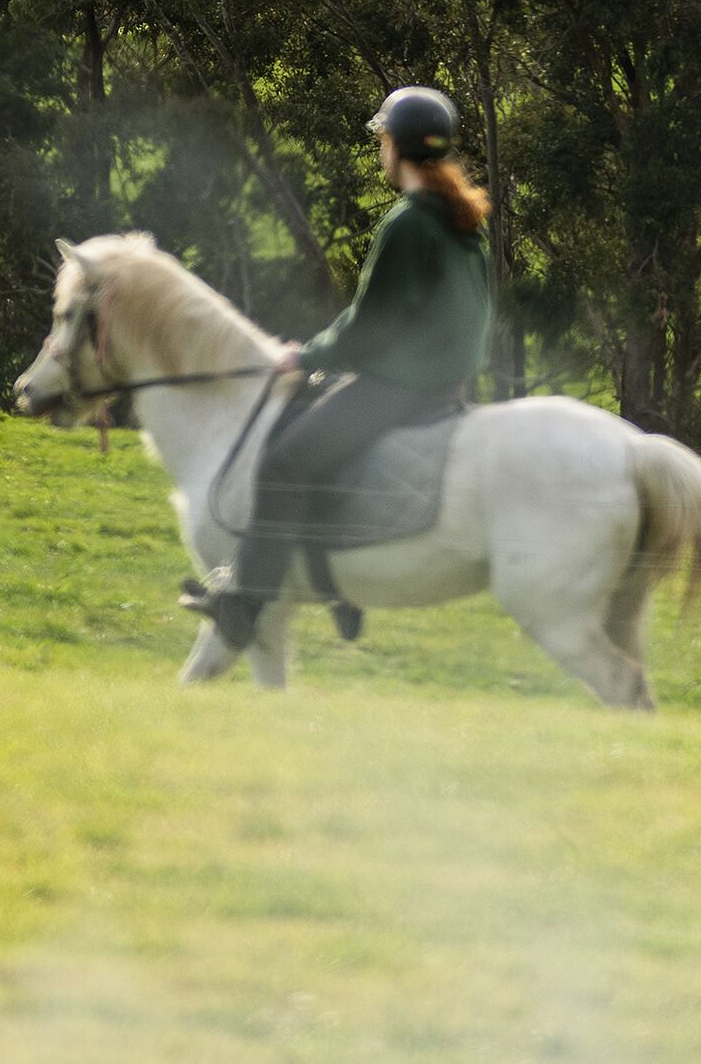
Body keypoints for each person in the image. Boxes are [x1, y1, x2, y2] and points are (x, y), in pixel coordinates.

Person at [199, 85, 496, 650]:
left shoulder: (408, 221)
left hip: (401, 389)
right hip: (446, 386)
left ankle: (244, 607)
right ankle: (338, 590)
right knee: (317, 424)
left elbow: (369, 325)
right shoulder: (462, 218)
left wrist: (303, 357)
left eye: (382, 138)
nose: (380, 147)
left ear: (393, 146)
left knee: (285, 463)